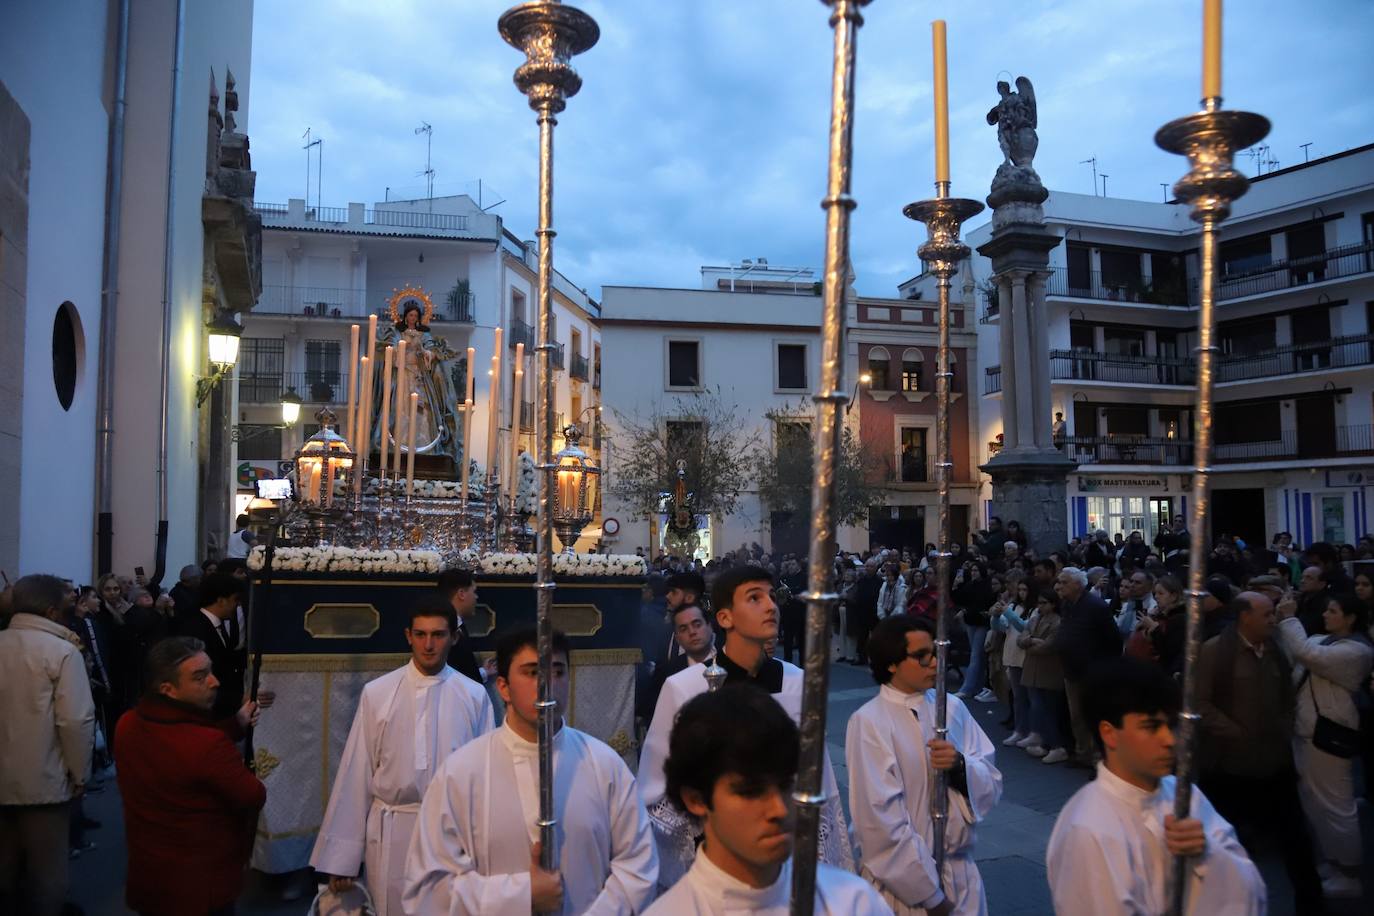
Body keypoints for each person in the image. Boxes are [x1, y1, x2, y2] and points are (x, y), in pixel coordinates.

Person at [404, 626, 657, 914]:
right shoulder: (461, 773)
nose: (547, 684)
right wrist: (522, 896)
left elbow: (638, 866)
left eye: (558, 672)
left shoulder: (605, 765)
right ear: (503, 687)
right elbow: (428, 887)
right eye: (533, 672)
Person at [638, 565, 854, 889]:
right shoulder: (684, 687)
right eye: (755, 598)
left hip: (788, 853)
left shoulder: (798, 683)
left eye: (772, 596)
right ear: (725, 618)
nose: (771, 606)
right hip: (718, 863)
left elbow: (818, 777)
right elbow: (656, 793)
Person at [310, 598, 495, 916]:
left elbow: (487, 779)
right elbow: (357, 773)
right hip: (391, 831)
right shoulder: (378, 693)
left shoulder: (474, 695)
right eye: (420, 634)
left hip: (451, 834)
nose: (428, 645)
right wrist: (342, 859)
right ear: (408, 636)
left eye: (438, 635)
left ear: (454, 637)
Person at [1046, 656, 1265, 915]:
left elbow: (1250, 890)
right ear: (1109, 733)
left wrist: (1207, 853)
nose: (1169, 740)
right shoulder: (1087, 828)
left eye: (1171, 725)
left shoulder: (1185, 795)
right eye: (1151, 727)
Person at [646, 687, 891, 915]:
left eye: (786, 785)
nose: (779, 809)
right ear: (696, 799)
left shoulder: (852, 902)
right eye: (751, 792)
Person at [847, 616, 1002, 915]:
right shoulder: (870, 721)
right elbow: (878, 820)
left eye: (935, 653)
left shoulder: (953, 707)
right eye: (921, 656)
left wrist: (960, 767)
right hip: (904, 889)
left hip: (960, 875)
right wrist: (931, 897)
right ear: (891, 663)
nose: (934, 663)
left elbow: (991, 778)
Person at [116, 636, 270, 916]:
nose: (214, 682)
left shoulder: (126, 725)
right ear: (168, 689)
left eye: (211, 671)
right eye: (200, 677)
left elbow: (180, 750)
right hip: (201, 885)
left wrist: (235, 723)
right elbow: (253, 794)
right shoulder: (208, 746)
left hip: (150, 874)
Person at [1195, 591, 1324, 912]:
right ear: (1245, 617)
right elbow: (1200, 703)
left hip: (1274, 762)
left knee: (1296, 840)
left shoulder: (1275, 649)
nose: (1273, 619)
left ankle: (1312, 905)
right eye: (1266, 614)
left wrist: (1284, 725)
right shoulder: (1214, 652)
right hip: (1228, 766)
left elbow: (1287, 695)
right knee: (1223, 844)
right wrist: (1236, 732)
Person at [0, 574, 94, 916]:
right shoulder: (62, 651)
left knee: (5, 867)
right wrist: (80, 773)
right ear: (53, 611)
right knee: (47, 872)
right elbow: (75, 720)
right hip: (44, 779)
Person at [1275, 591, 1374, 899]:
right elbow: (1297, 652)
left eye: (1333, 611)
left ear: (1351, 618)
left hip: (1329, 733)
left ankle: (1350, 873)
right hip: (1308, 730)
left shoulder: (1357, 652)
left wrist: (1289, 618)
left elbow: (1307, 654)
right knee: (1316, 803)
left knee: (1336, 806)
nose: (1326, 615)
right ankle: (1334, 863)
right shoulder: (1322, 640)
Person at [1052, 566, 1121, 765]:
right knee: (1077, 716)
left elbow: (1113, 640)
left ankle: (1099, 758)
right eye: (1059, 582)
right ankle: (1083, 753)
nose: (1059, 586)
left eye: (1064, 582)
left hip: (1092, 671)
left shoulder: (1095, 607)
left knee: (1094, 716)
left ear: (1078, 585)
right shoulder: (1067, 604)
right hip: (1071, 669)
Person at [177, 572, 248, 719]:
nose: (238, 605)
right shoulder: (196, 629)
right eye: (235, 599)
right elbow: (199, 679)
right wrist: (237, 700)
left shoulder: (216, 624)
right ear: (221, 601)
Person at [642, 603, 716, 729]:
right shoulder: (667, 671)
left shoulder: (727, 662)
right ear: (677, 638)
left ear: (709, 626)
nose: (692, 632)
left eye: (697, 625)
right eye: (683, 629)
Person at [1018, 590, 1069, 764]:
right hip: (1032, 668)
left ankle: (1056, 746)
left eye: (1044, 603)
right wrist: (1033, 640)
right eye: (1039, 603)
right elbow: (1021, 640)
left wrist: (1029, 643)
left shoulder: (1058, 622)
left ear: (1053, 604)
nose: (1040, 606)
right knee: (1037, 706)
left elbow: (1049, 646)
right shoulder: (1034, 619)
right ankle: (1043, 741)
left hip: (1049, 670)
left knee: (1049, 710)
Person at [437, 568, 497, 686]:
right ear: (461, 594)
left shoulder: (459, 627)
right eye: (474, 591)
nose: (476, 597)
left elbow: (462, 673)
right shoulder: (445, 632)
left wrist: (484, 672)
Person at [991, 580, 1033, 746]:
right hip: (1013, 656)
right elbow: (1000, 627)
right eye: (1020, 589)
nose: (1022, 593)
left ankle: (1031, 731)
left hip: (1027, 657)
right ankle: (1019, 730)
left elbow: (1024, 627)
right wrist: (995, 615)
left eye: (1025, 589)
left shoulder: (1035, 609)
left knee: (1031, 699)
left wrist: (1007, 612)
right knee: (1018, 697)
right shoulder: (1014, 607)